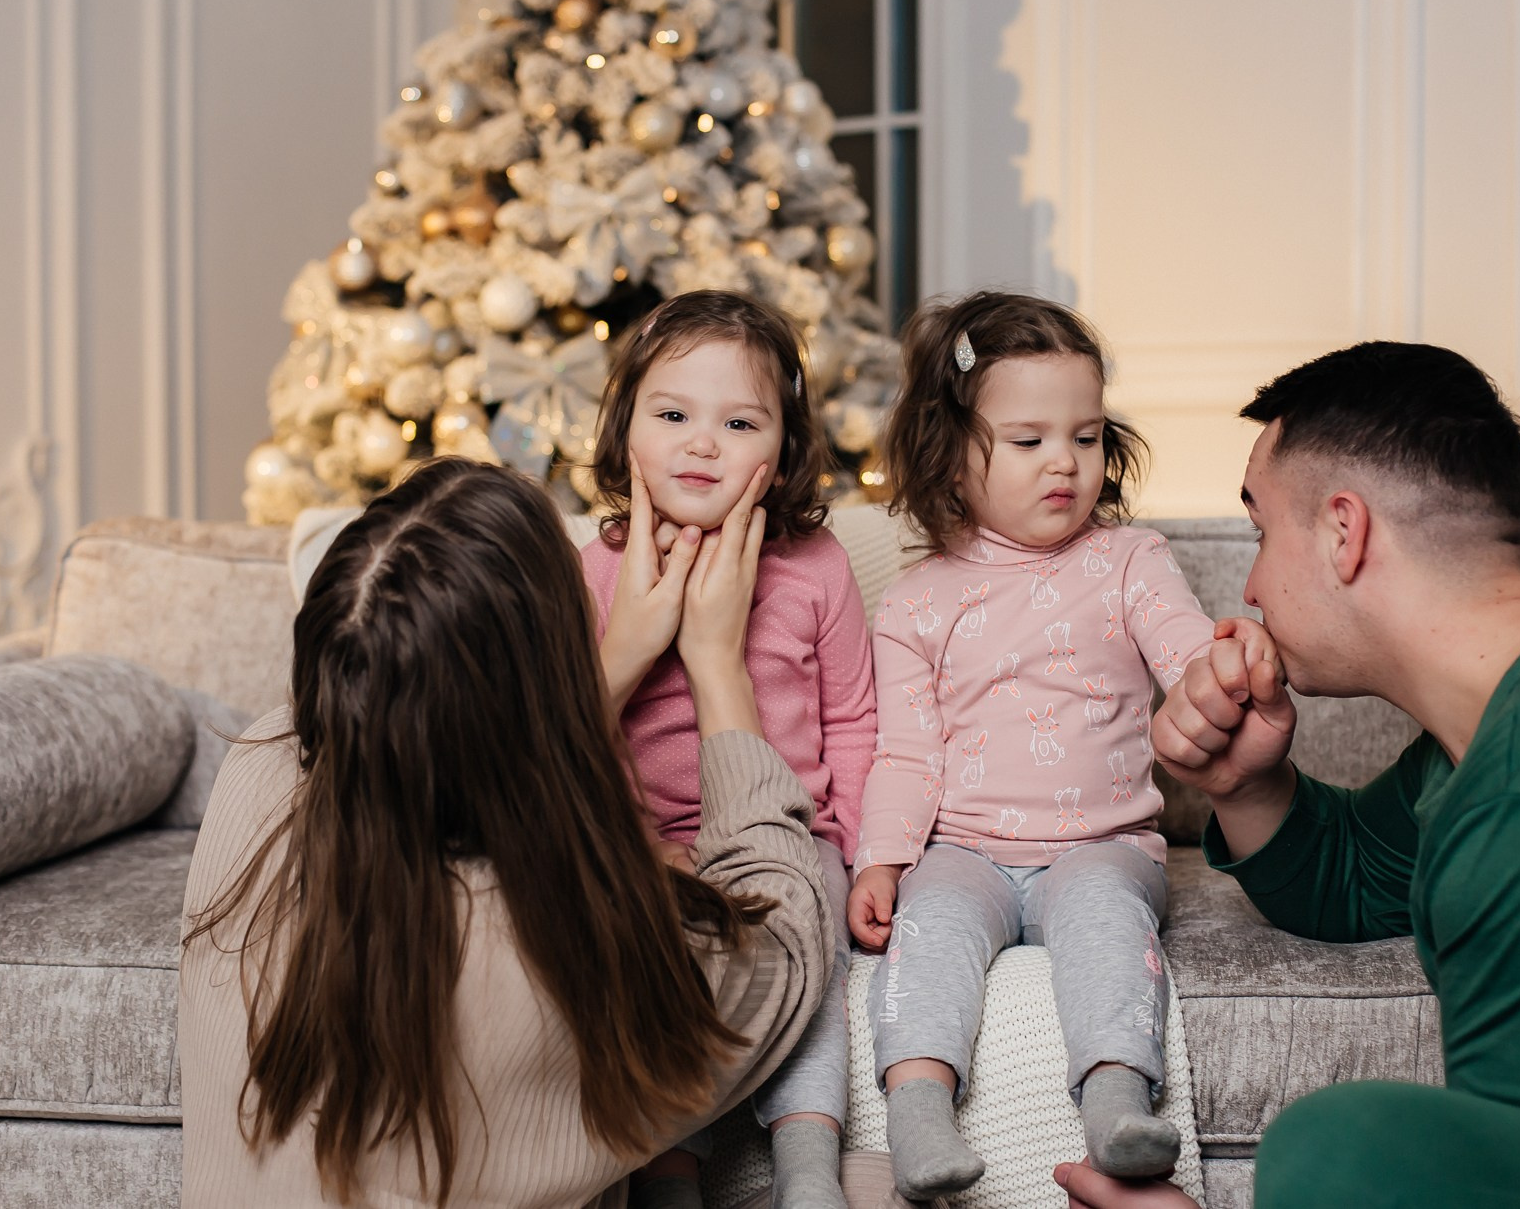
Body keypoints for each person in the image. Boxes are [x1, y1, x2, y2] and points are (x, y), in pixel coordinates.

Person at [1057, 342, 1520, 1209]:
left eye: (1263, 533)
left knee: (1339, 1147)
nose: (1254, 584)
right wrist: (1249, 784)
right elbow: (1353, 877)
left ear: (1346, 530)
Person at [177, 456, 842, 1208]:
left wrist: (617, 659)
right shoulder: (575, 939)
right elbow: (788, 936)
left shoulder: (257, 772)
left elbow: (427, 751)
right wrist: (718, 663)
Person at [847, 291, 1273, 1197]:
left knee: (1104, 925)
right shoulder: (919, 599)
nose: (1065, 464)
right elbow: (909, 753)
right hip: (965, 846)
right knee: (930, 933)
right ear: (950, 454)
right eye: (1030, 438)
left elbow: (1186, 654)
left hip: (1103, 843)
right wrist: (882, 861)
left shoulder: (1129, 560)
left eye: (1085, 437)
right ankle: (919, 1117)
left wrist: (1229, 664)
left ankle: (1118, 1106)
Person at [580, 290, 878, 1209]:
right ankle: (670, 1169)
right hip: (653, 842)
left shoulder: (816, 566)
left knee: (809, 955)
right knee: (654, 963)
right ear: (624, 430)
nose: (702, 444)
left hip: (796, 837)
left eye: (739, 421)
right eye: (672, 415)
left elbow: (858, 721)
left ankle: (805, 1160)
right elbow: (568, 742)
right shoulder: (594, 566)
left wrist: (869, 858)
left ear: (784, 449)